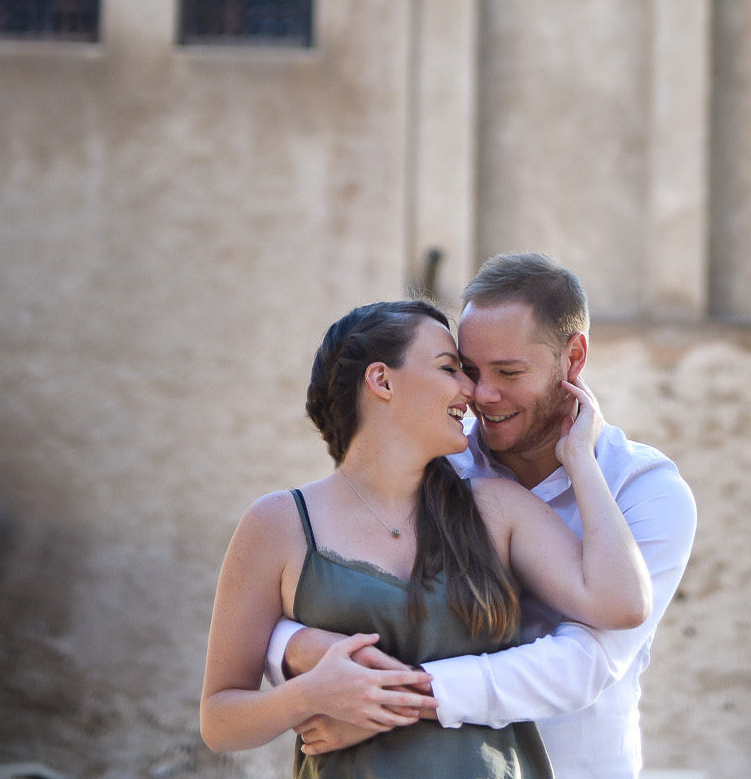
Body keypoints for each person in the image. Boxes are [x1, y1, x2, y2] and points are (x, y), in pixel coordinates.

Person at [270, 254, 697, 779]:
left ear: (575, 357)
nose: (482, 395)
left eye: (509, 372)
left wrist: (394, 704)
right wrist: (300, 647)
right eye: (468, 370)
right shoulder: (432, 463)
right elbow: (328, 591)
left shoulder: (647, 490)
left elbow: (587, 662)